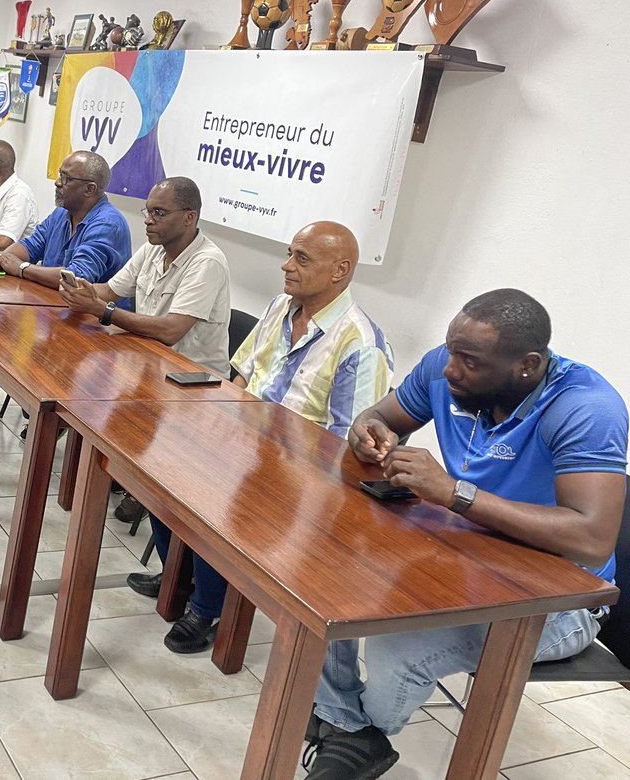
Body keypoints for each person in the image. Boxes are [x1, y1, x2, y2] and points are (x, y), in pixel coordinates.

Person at [303, 288, 627, 780]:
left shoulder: (586, 408)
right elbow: (377, 418)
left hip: (561, 597)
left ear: (528, 365)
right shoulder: (447, 366)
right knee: (325, 573)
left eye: (470, 361)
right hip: (469, 555)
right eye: (452, 351)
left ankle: (351, 730)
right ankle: (349, 727)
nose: (450, 370)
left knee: (396, 646)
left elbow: (592, 538)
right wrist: (369, 436)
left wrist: (456, 494)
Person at [126, 221, 393, 655]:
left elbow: (346, 444)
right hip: (243, 441)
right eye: (289, 253)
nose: (286, 266)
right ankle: (182, 569)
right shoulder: (279, 307)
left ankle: (206, 608)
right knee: (160, 472)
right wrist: (216, 429)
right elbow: (241, 375)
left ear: (340, 270)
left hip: (298, 473)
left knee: (220, 497)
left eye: (301, 258)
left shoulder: (360, 344)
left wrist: (258, 455)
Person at [56, 176, 230, 375]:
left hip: (193, 380)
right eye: (148, 211)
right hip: (149, 361)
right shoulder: (152, 249)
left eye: (159, 213)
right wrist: (78, 289)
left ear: (189, 218)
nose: (148, 220)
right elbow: (110, 291)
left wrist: (102, 310)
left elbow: (170, 331)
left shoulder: (207, 261)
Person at [0, 150, 131, 293]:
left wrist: (22, 268)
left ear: (90, 189)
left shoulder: (108, 225)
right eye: (60, 174)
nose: (57, 182)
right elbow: (31, 246)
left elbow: (75, 278)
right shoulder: (61, 213)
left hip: (96, 323)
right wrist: (0, 258)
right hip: (52, 304)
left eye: (66, 178)